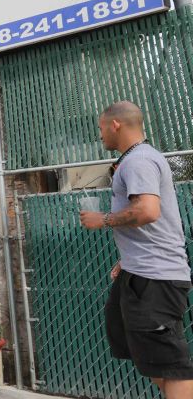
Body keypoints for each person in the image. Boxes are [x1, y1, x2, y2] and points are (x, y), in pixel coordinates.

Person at [80, 101, 193, 398]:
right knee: (152, 360)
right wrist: (126, 259)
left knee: (172, 365)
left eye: (101, 128)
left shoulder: (138, 161)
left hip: (155, 278)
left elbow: (147, 210)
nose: (100, 135)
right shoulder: (135, 159)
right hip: (139, 272)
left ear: (115, 124)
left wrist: (102, 219)